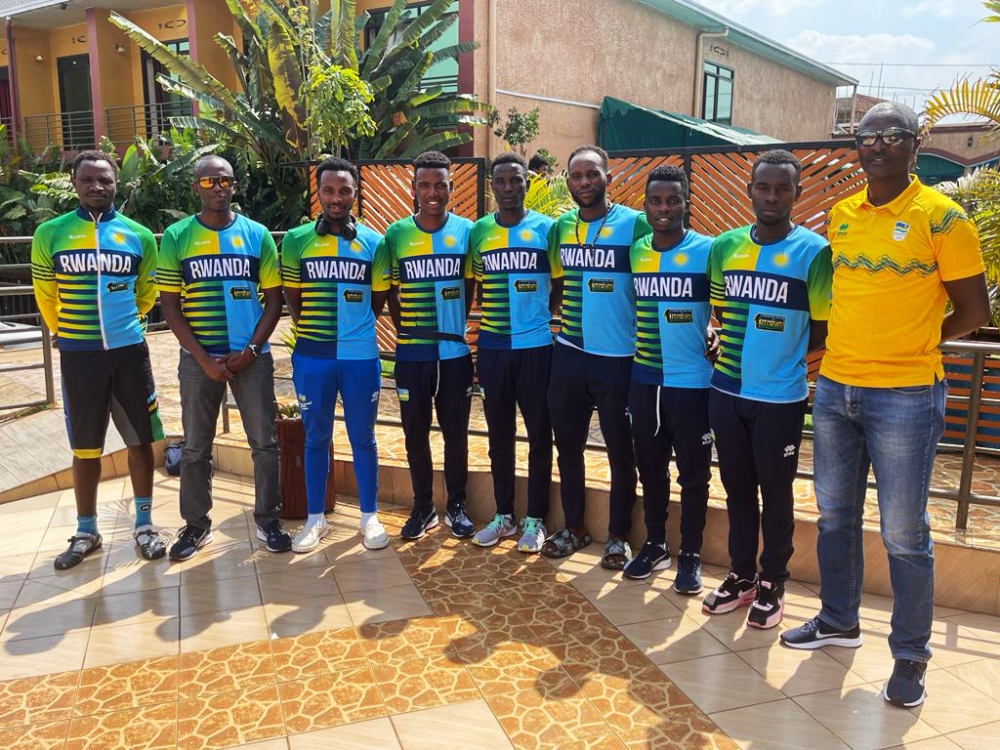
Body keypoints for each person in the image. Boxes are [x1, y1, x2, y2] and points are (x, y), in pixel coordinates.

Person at [781, 103, 989, 707]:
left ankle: (909, 658)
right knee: (835, 518)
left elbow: (975, 313)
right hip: (836, 389)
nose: (876, 146)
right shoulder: (842, 216)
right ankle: (839, 621)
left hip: (905, 395)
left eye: (890, 136)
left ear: (914, 144)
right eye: (866, 137)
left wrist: (920, 338)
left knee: (903, 533)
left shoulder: (943, 219)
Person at [702, 149, 832, 629]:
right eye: (764, 187)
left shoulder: (813, 253)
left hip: (779, 397)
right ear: (750, 190)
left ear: (797, 194)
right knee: (736, 490)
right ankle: (741, 575)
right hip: (726, 391)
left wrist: (781, 357)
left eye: (783, 188)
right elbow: (719, 312)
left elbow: (819, 330)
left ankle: (773, 579)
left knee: (775, 494)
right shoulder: (725, 246)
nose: (772, 196)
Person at [31, 150, 166, 569]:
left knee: (141, 441)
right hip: (78, 353)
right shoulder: (50, 234)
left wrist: (128, 325)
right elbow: (45, 294)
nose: (97, 187)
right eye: (88, 180)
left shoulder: (138, 235)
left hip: (129, 353)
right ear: (74, 182)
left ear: (115, 183)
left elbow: (148, 291)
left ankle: (144, 525)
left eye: (104, 180)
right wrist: (67, 331)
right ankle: (86, 530)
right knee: (85, 446)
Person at [157, 155, 290, 560]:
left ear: (235, 186)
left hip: (252, 358)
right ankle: (196, 526)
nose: (218, 187)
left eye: (226, 180)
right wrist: (202, 359)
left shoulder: (257, 235)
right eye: (209, 180)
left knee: (265, 444)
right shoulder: (177, 236)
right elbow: (169, 306)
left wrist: (251, 350)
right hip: (200, 361)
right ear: (195, 186)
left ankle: (269, 519)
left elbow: (274, 301)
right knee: (196, 447)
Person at [540, 145, 651, 569]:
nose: (584, 182)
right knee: (567, 446)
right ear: (567, 181)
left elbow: (659, 275)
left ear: (609, 177)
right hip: (569, 352)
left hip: (618, 357)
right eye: (576, 175)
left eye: (592, 174)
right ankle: (575, 527)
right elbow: (555, 286)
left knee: (621, 451)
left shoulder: (635, 224)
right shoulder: (560, 229)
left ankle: (618, 536)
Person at [280, 157, 391, 552]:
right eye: (329, 190)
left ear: (355, 193)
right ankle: (315, 519)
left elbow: (377, 301)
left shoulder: (374, 243)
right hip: (313, 355)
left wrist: (354, 333)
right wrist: (319, 334)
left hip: (360, 357)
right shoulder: (295, 240)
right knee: (315, 437)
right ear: (318, 193)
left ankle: (369, 516)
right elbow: (293, 300)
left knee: (363, 437)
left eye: (345, 190)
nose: (337, 198)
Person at [624, 165, 714, 592]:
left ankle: (691, 556)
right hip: (644, 379)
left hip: (693, 383)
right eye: (656, 201)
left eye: (673, 200)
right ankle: (656, 543)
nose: (664, 208)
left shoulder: (708, 250)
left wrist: (712, 330)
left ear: (686, 203)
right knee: (651, 470)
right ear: (645, 205)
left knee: (694, 476)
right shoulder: (636, 250)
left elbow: (730, 303)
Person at [469, 152, 561, 552]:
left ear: (528, 183)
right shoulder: (479, 233)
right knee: (498, 436)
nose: (508, 188)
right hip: (493, 348)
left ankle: (535, 520)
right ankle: (504, 514)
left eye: (515, 181)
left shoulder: (548, 229)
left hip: (537, 348)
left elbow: (557, 285)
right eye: (501, 181)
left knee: (540, 435)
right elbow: (476, 285)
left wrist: (538, 317)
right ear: (491, 186)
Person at [381, 151, 476, 540]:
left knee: (456, 437)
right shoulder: (396, 234)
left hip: (453, 355)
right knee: (414, 436)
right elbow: (390, 291)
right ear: (413, 188)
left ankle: (457, 506)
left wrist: (452, 328)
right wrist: (409, 332)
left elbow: (469, 286)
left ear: (452, 188)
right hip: (412, 355)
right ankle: (423, 507)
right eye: (424, 184)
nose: (432, 192)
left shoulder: (467, 232)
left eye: (440, 184)